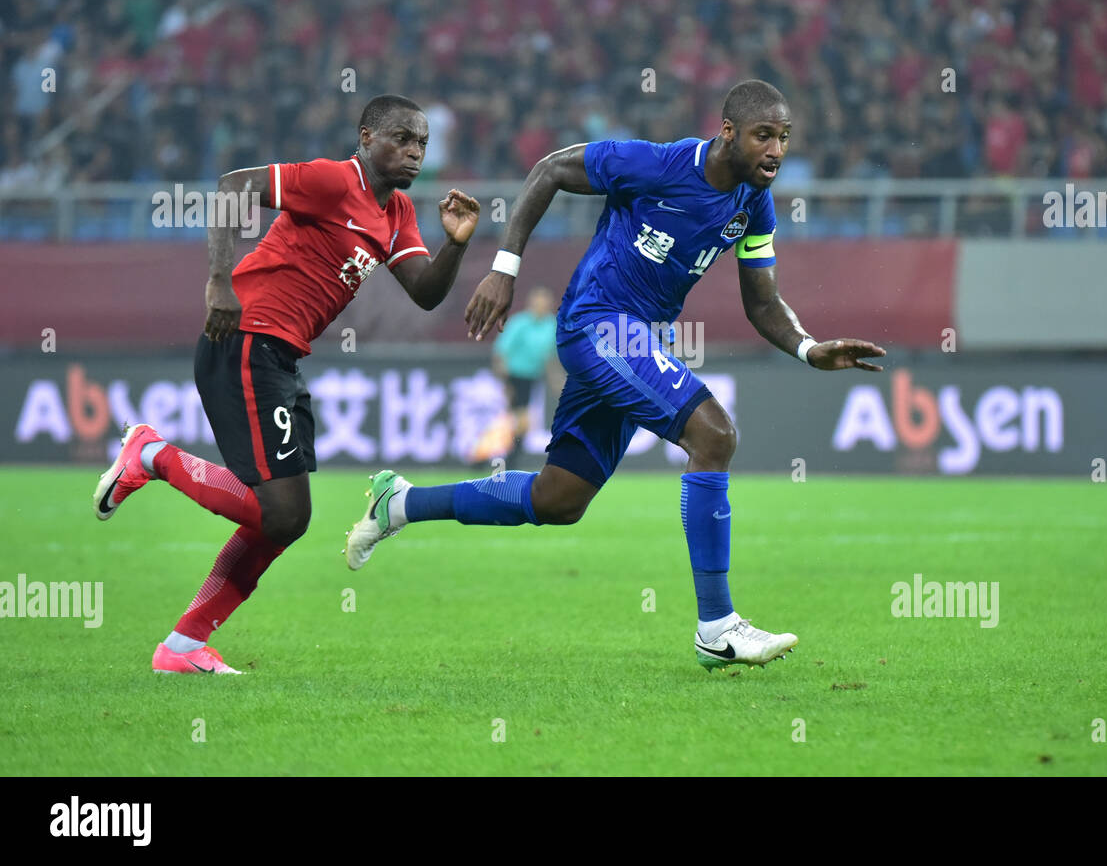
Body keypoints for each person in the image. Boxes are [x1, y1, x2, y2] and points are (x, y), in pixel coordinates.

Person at [345, 80, 885, 671]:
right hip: (597, 323)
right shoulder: (655, 165)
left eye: (783, 138)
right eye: (764, 135)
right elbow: (551, 170)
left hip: (634, 341)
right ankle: (717, 626)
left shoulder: (754, 203)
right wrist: (505, 267)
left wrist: (808, 349)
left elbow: (762, 302)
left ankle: (399, 504)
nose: (776, 150)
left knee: (560, 498)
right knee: (714, 435)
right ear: (728, 132)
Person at [92, 94, 480, 674]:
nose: (413, 152)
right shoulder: (330, 182)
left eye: (421, 143)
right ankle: (150, 455)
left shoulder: (396, 212)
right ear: (367, 136)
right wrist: (219, 281)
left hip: (281, 355)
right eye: (401, 138)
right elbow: (232, 186)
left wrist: (458, 242)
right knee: (277, 511)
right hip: (245, 334)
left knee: (287, 518)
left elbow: (425, 292)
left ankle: (182, 647)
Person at [488, 286, 559, 468]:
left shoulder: (551, 325)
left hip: (532, 378)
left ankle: (505, 460)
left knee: (520, 423)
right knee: (522, 422)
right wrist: (506, 384)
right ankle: (507, 460)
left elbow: (549, 357)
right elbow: (501, 353)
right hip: (515, 376)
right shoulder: (520, 323)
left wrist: (555, 381)